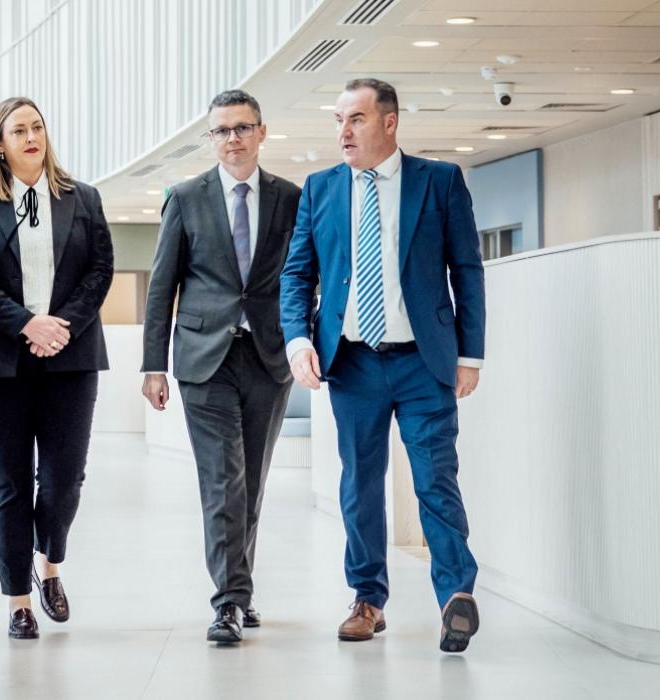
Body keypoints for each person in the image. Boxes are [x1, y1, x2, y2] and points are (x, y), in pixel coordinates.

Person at [279, 78, 487, 652]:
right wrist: (299, 342)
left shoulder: (439, 181)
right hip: (353, 364)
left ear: (389, 122)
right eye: (339, 120)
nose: (344, 131)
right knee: (360, 486)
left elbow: (466, 270)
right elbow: (297, 275)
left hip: (425, 363)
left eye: (357, 119)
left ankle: (454, 596)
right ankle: (368, 599)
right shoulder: (321, 188)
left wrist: (470, 354)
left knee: (435, 480)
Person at [141, 90, 302, 644]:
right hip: (202, 360)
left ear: (262, 132)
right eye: (222, 130)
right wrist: (152, 365)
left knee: (251, 480)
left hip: (268, 357)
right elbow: (162, 286)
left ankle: (241, 587)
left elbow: (305, 279)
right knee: (221, 480)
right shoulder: (186, 198)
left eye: (242, 127)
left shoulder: (290, 199)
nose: (232, 138)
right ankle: (229, 601)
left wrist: (309, 344)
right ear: (210, 139)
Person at [0, 97, 113, 640]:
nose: (30, 136)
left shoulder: (82, 198)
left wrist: (59, 324)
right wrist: (26, 324)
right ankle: (18, 600)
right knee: (11, 481)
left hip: (71, 354)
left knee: (65, 479)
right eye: (18, 129)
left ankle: (50, 565)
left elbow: (100, 269)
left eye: (37, 126)